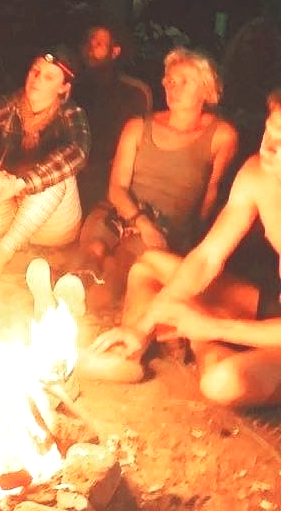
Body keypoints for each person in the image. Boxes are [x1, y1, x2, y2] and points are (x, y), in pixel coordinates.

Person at [84, 90, 281, 407]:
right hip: (271, 307)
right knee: (149, 264)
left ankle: (202, 340)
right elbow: (207, 258)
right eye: (269, 131)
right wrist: (144, 325)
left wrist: (212, 326)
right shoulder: (257, 173)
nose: (268, 146)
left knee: (222, 382)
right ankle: (130, 350)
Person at [70, 48, 237, 302]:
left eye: (184, 82)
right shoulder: (137, 127)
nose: (173, 88)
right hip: (121, 210)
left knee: (124, 262)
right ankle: (67, 295)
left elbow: (211, 194)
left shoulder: (222, 135)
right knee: (94, 248)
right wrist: (141, 223)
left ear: (207, 89)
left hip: (167, 225)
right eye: (170, 81)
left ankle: (87, 303)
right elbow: (116, 188)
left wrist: (194, 243)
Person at [0, 46, 90, 270]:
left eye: (49, 77)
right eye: (35, 71)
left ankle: (2, 254)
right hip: (10, 210)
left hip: (52, 224)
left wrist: (22, 184)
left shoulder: (71, 113)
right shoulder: (12, 103)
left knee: (59, 170)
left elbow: (78, 153)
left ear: (64, 87)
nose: (37, 79)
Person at [71, 24, 153, 211]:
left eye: (98, 44)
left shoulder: (134, 92)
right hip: (70, 172)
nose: (90, 48)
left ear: (115, 51)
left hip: (109, 180)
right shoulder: (71, 87)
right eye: (88, 42)